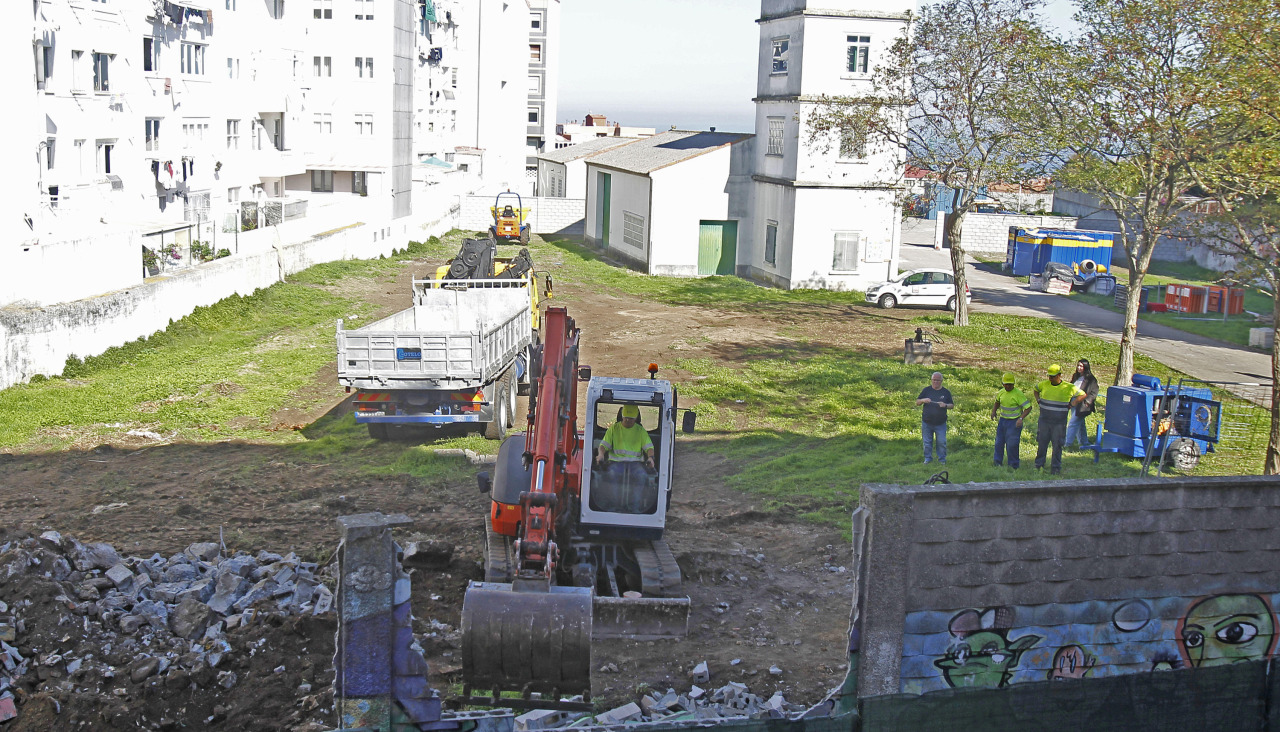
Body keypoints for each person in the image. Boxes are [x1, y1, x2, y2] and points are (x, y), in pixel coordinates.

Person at [596, 405, 656, 512]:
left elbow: (649, 448)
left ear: (636, 418)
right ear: (622, 416)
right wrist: (600, 454)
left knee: (641, 477)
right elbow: (603, 446)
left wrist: (651, 458)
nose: (628, 421)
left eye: (631, 419)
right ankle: (614, 506)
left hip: (635, 464)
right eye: (626, 418)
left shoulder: (640, 431)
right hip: (616, 463)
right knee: (611, 476)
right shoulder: (614, 429)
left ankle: (635, 507)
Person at [1033, 364, 1086, 474]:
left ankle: (1056, 468)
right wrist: (1038, 400)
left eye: (1053, 376)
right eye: (1049, 376)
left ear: (1059, 375)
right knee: (1042, 444)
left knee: (1057, 445)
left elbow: (1083, 394)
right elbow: (1035, 389)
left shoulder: (1068, 387)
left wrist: (1074, 402)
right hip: (1044, 421)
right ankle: (1039, 465)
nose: (1050, 378)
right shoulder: (1043, 385)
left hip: (1059, 423)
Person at [990, 373, 1032, 468]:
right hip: (1003, 421)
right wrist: (993, 412)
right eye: (1006, 384)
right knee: (999, 443)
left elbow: (1028, 408)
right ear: (1003, 384)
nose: (1008, 386)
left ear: (1014, 384)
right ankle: (997, 463)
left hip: (1014, 422)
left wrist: (1021, 418)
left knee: (1012, 444)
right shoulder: (1001, 392)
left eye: (1010, 384)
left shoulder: (1018, 394)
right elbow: (997, 402)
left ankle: (1013, 465)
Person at [916, 372, 954, 465]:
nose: (935, 382)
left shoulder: (945, 392)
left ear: (941, 381)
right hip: (927, 422)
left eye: (938, 380)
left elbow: (951, 405)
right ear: (931, 380)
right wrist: (923, 400)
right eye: (934, 380)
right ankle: (928, 459)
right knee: (927, 443)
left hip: (940, 423)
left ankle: (942, 460)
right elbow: (917, 402)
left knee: (941, 442)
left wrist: (945, 405)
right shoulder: (926, 390)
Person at [1064, 358, 1100, 449]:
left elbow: (1094, 392)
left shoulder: (1091, 379)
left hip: (1083, 405)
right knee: (1080, 424)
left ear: (1086, 367)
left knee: (1073, 423)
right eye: (1078, 365)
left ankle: (1067, 443)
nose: (1079, 368)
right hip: (1074, 402)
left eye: (1081, 366)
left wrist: (1087, 402)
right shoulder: (1076, 376)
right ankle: (1084, 442)